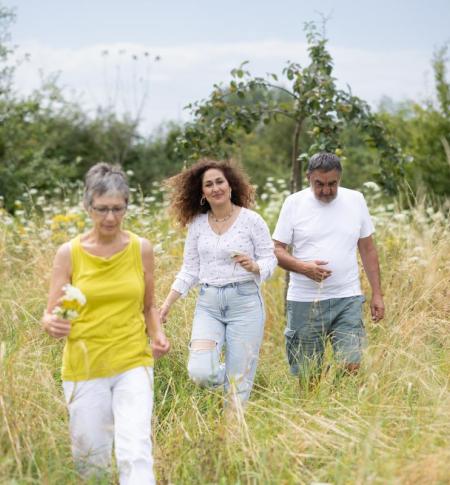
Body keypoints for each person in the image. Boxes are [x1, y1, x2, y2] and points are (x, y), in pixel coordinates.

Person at [42, 163, 170, 484]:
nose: (110, 218)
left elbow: (149, 305)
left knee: (135, 451)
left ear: (127, 206)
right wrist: (53, 324)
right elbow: (51, 314)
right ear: (88, 207)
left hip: (132, 363)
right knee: (91, 462)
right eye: (102, 209)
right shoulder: (69, 253)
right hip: (84, 368)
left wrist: (158, 335)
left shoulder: (141, 249)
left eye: (117, 209)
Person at [160, 158, 277, 408]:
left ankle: (233, 438)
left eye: (220, 182)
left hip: (245, 303)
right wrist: (167, 304)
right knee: (201, 372)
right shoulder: (198, 225)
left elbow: (270, 258)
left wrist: (256, 267)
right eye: (209, 184)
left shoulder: (252, 220)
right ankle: (238, 378)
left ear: (230, 185)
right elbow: (190, 270)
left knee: (238, 392)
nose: (216, 188)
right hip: (209, 305)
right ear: (202, 193)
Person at [272, 152, 384, 381]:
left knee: (351, 364)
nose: (326, 190)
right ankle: (313, 413)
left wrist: (377, 294)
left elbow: (368, 249)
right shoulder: (293, 203)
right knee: (307, 375)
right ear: (308, 178)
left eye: (332, 184)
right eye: (319, 184)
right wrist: (304, 267)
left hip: (348, 297)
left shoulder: (356, 200)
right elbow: (276, 250)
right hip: (305, 300)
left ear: (340, 178)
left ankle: (338, 406)